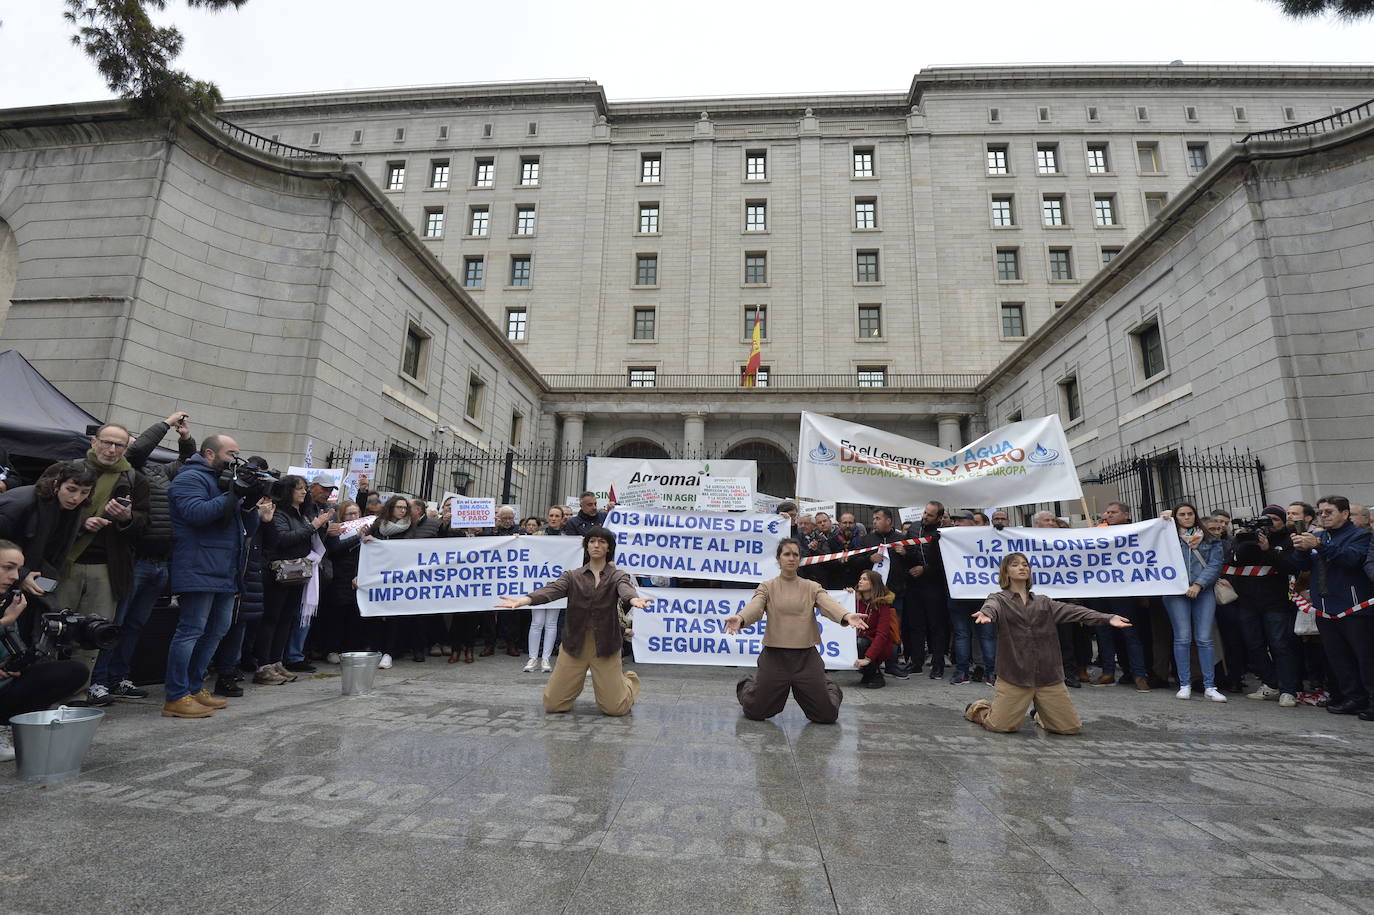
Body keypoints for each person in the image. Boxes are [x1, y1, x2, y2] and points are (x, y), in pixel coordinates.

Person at [88, 412, 197, 703]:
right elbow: (138, 451)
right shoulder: (131, 469)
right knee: (116, 623)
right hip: (135, 559)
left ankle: (118, 678)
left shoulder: (161, 472)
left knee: (135, 624)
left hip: (159, 562)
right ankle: (97, 680)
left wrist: (185, 437)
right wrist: (166, 423)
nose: (128, 447)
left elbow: (187, 462)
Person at [963, 553, 1131, 734]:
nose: (1022, 567)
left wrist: (1108, 618)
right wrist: (987, 613)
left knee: (1070, 728)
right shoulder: (999, 599)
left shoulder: (1044, 602)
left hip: (1048, 676)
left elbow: (1075, 611)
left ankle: (1041, 714)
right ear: (1006, 572)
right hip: (1015, 675)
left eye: (1025, 564)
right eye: (1015, 565)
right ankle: (978, 708)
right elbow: (991, 606)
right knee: (999, 726)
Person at [164, 434, 267, 718]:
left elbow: (247, 525)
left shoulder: (223, 482)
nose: (237, 461)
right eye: (231, 454)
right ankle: (176, 695)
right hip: (198, 564)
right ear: (210, 453)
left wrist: (248, 501)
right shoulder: (190, 479)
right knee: (191, 631)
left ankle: (195, 687)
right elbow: (196, 514)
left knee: (217, 630)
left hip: (224, 568)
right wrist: (233, 493)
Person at [497, 526, 646, 716]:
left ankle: (629, 682)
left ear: (609, 547)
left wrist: (633, 599)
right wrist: (525, 600)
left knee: (615, 709)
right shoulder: (572, 576)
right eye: (592, 541)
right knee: (553, 705)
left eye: (602, 542)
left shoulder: (617, 575)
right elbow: (551, 590)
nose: (596, 545)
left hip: (606, 645)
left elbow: (624, 588)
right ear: (586, 546)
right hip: (574, 644)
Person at [723, 539, 869, 723]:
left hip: (806, 658)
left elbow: (828, 604)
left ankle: (827, 686)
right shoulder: (767, 587)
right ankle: (746, 684)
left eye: (795, 554)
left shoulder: (811, 587)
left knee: (826, 716)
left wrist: (847, 615)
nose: (791, 558)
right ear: (778, 559)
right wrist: (741, 618)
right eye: (786, 554)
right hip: (775, 657)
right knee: (755, 712)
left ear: (800, 559)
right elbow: (756, 606)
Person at [55, 423, 150, 688]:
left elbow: (144, 523)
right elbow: (44, 510)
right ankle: (44, 693)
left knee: (92, 637)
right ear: (93, 442)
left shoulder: (134, 479)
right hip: (64, 564)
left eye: (119, 445)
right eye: (106, 442)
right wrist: (81, 522)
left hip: (106, 568)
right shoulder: (66, 469)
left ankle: (76, 695)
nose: (111, 449)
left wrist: (127, 518)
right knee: (53, 633)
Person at [0, 542, 89, 760]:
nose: (14, 576)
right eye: (7, 567)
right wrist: (7, 620)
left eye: (18, 570)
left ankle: (10, 726)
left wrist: (13, 664)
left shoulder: (8, 598)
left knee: (73, 671)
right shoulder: (10, 608)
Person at [1293, 496, 1374, 717]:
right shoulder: (1320, 535)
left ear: (1345, 514)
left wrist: (1319, 545)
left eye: (1329, 512)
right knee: (1339, 657)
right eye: (1320, 512)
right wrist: (1301, 548)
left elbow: (1351, 559)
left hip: (1354, 607)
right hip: (1326, 607)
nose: (1323, 516)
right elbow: (1302, 566)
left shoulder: (1361, 535)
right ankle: (1353, 697)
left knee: (1365, 657)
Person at [255, 475, 332, 682]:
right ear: (288, 490)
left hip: (298, 573)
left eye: (305, 488)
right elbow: (282, 539)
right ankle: (264, 664)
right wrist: (313, 526)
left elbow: (310, 540)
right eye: (299, 488)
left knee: (286, 619)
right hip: (279, 573)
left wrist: (320, 528)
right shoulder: (279, 513)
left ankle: (276, 660)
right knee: (272, 618)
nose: (304, 491)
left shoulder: (302, 514)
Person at [0, 461, 97, 619]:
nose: (76, 498)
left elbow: (51, 552)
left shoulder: (73, 510)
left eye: (84, 492)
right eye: (71, 489)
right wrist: (21, 575)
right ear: (57, 484)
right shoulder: (20, 504)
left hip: (36, 573)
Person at [1227, 505, 1300, 708]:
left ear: (1283, 522)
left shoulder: (1288, 540)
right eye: (1265, 519)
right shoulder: (1247, 538)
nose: (1270, 523)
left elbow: (1291, 566)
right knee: (1254, 644)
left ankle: (1288, 690)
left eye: (1275, 520)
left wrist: (1268, 551)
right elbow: (1233, 562)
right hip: (1247, 601)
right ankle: (1271, 683)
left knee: (1280, 645)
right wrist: (1240, 540)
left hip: (1275, 602)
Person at [1162, 502, 1227, 702]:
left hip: (1203, 592)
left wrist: (1199, 584)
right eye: (1182, 514)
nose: (1187, 517)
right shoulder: (1167, 537)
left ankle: (1210, 686)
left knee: (1205, 638)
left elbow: (1216, 564)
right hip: (1175, 592)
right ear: (1176, 516)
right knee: (1182, 637)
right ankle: (1184, 684)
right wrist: (1161, 519)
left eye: (1190, 513)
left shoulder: (1209, 538)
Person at [1089, 502, 1152, 692]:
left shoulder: (1136, 531)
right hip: (1100, 590)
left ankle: (1139, 675)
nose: (1108, 515)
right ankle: (1108, 672)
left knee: (1130, 634)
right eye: (1107, 512)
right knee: (1104, 633)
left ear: (1125, 515)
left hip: (1123, 592)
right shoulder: (1097, 531)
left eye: (1113, 512)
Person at [905, 501, 949, 679]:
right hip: (914, 585)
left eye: (930, 515)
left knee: (937, 626)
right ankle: (916, 662)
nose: (925, 517)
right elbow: (910, 551)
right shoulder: (914, 528)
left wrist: (926, 569)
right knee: (916, 625)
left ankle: (938, 664)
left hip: (935, 585)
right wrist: (905, 553)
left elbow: (947, 561)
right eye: (925, 512)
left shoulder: (945, 533)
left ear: (939, 517)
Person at [850, 569, 896, 689]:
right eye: (860, 579)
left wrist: (868, 658)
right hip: (862, 640)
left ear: (873, 584)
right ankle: (867, 673)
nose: (860, 581)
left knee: (861, 642)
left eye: (864, 579)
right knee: (859, 641)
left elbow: (882, 634)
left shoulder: (883, 604)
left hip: (880, 644)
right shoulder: (855, 600)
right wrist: (847, 595)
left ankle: (876, 675)